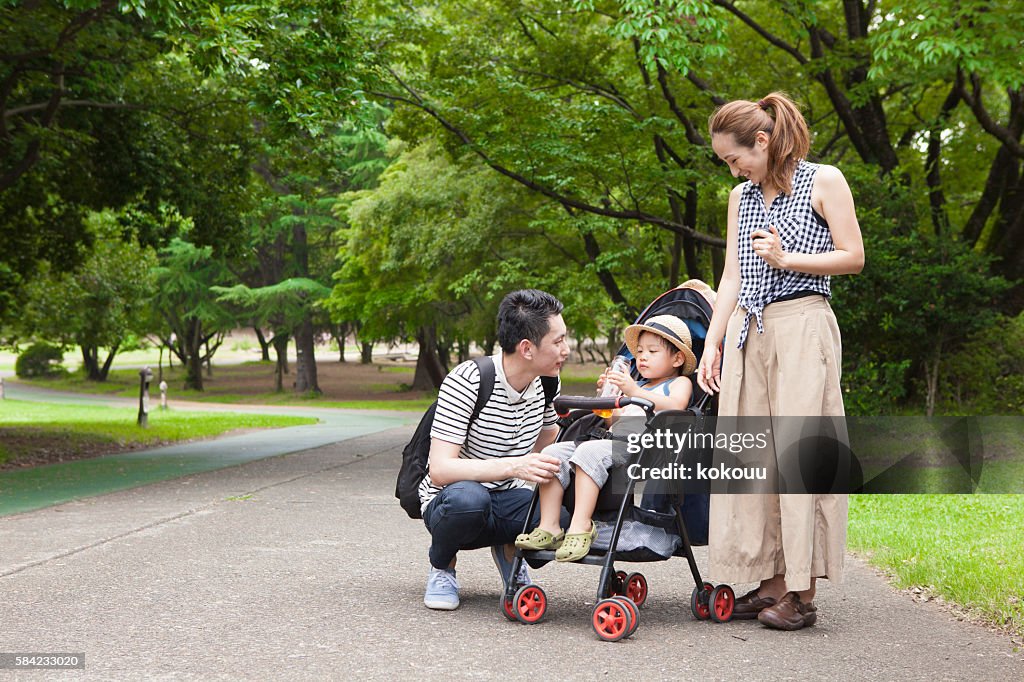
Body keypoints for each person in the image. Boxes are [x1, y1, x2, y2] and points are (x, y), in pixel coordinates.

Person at [697, 92, 864, 630]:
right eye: (727, 161)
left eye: (735, 156)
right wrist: (712, 342)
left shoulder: (824, 180)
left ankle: (801, 592)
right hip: (751, 330)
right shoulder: (740, 198)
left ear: (763, 140)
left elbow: (854, 256)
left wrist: (788, 257)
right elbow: (731, 275)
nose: (734, 167)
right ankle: (769, 582)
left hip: (802, 325)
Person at [420, 289, 571, 610]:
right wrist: (514, 466)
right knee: (469, 500)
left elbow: (548, 445)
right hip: (452, 498)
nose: (566, 350)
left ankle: (510, 554)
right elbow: (441, 470)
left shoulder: (547, 383)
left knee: (564, 513)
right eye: (558, 342)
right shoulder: (469, 380)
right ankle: (442, 566)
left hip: (505, 496)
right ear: (527, 348)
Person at [515, 314, 696, 562]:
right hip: (615, 441)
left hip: (646, 451)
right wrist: (609, 400)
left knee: (590, 453)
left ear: (677, 358)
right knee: (551, 454)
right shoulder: (637, 384)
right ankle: (550, 526)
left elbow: (676, 405)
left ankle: (581, 525)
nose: (642, 357)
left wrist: (632, 391)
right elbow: (616, 424)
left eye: (652, 351)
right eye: (640, 351)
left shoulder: (679, 383)